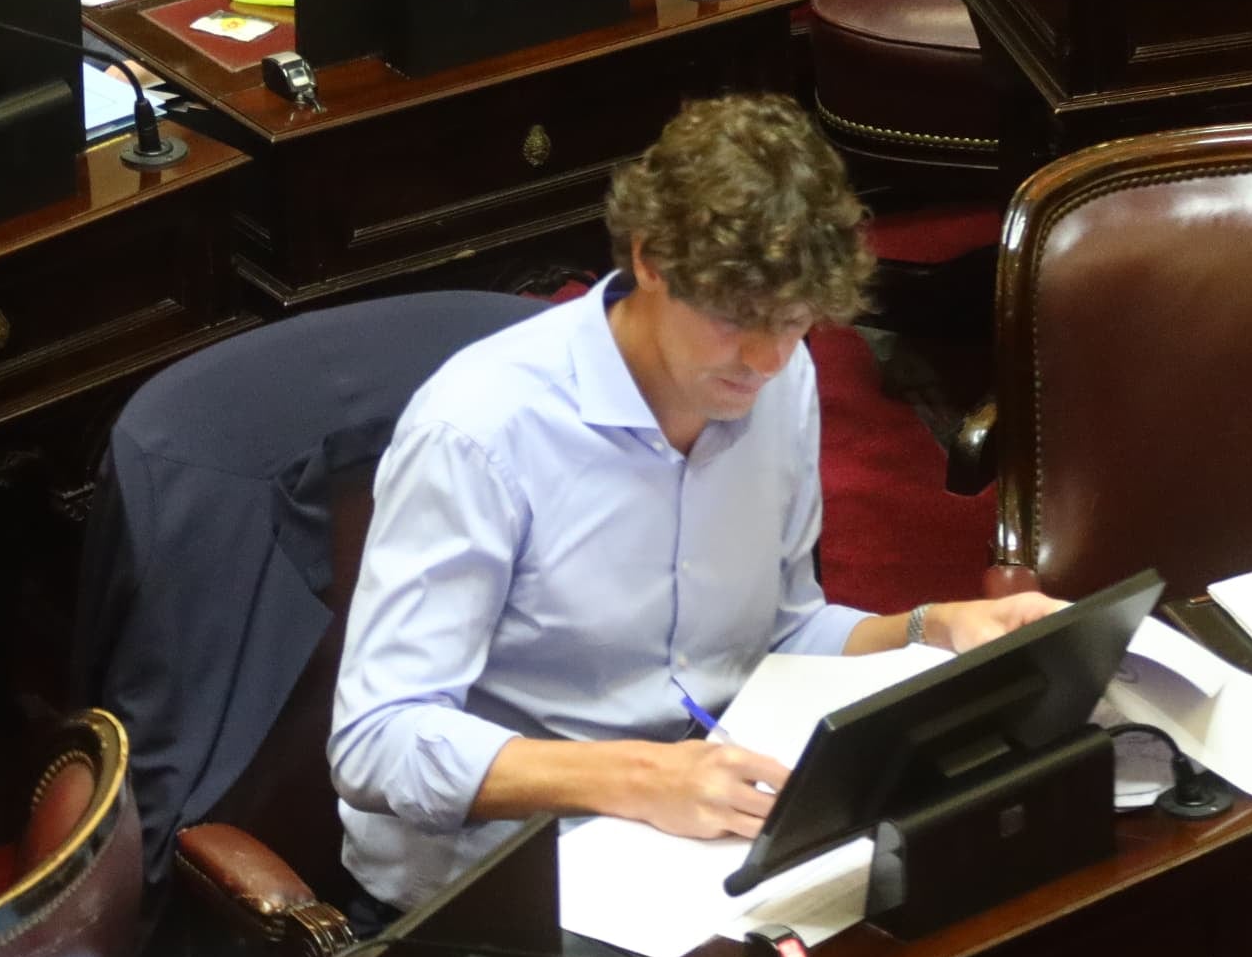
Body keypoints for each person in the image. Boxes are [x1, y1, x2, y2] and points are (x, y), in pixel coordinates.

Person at [328, 94, 1059, 914]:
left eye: (792, 324)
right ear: (649, 261)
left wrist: (929, 629)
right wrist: (641, 778)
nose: (765, 360)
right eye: (735, 320)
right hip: (499, 879)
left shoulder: (782, 380)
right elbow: (376, 743)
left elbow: (780, 631)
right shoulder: (479, 432)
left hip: (695, 837)